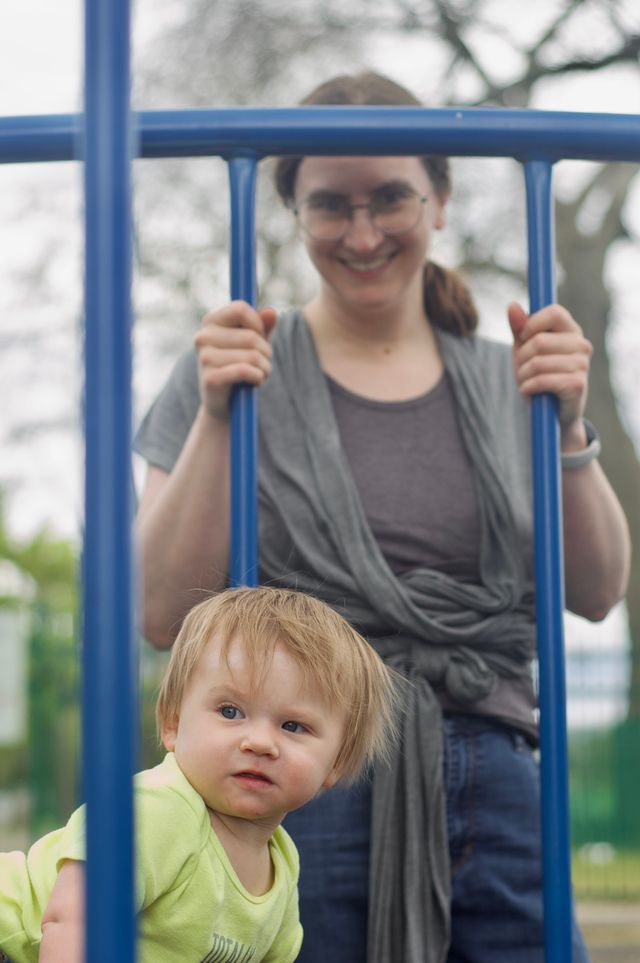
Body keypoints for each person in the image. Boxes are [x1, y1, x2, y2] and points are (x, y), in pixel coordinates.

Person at [132, 72, 630, 963]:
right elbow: (160, 610)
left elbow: (596, 591)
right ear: (293, 210)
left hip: (494, 753)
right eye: (331, 205)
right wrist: (217, 417)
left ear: (439, 199)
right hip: (297, 772)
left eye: (390, 197)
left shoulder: (511, 373)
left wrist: (567, 426)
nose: (362, 232)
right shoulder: (233, 369)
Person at [0, 586, 400, 963]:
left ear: (337, 763)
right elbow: (75, 923)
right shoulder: (157, 812)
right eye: (230, 711)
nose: (259, 742)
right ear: (173, 722)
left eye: (293, 726)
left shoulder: (282, 863)